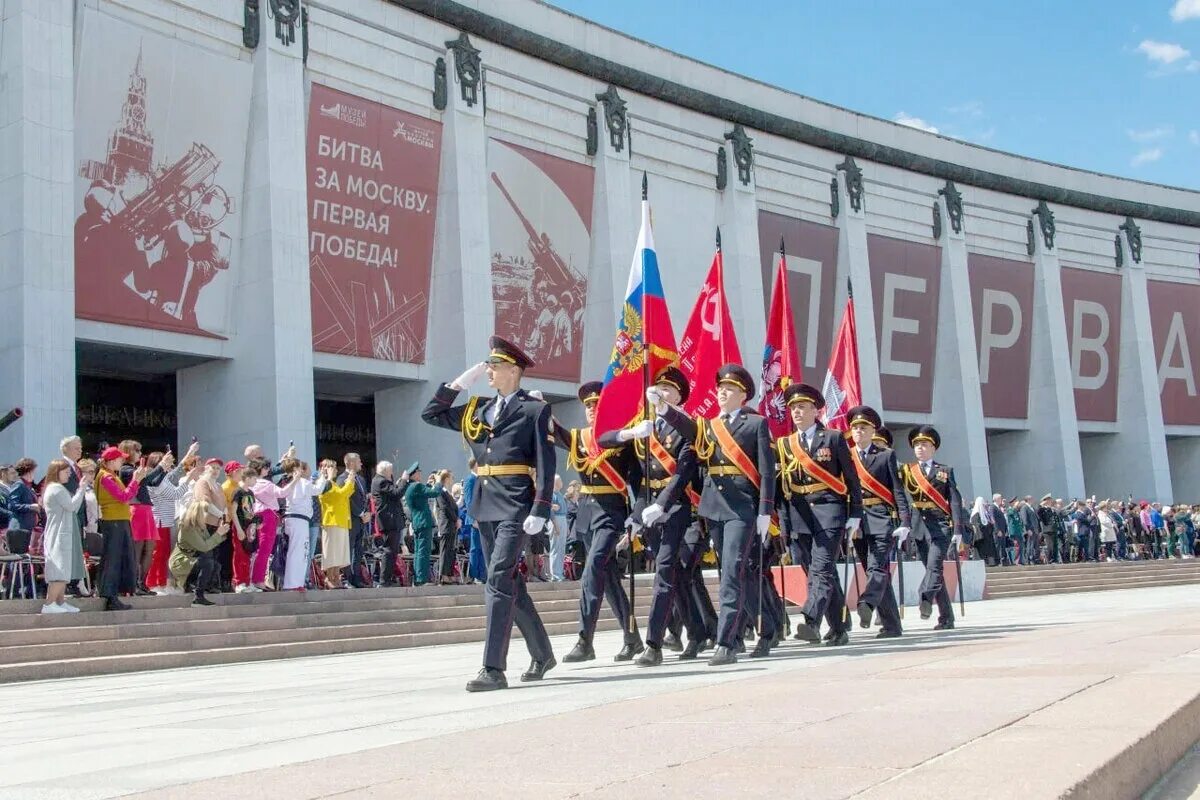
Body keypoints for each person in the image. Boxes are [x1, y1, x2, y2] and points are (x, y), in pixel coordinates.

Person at [421, 335, 556, 692]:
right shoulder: (477, 409)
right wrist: (457, 385)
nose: (489, 373)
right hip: (484, 502)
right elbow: (431, 414)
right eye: (488, 368)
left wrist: (541, 507)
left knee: (497, 578)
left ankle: (493, 668)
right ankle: (542, 653)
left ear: (513, 371)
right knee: (510, 582)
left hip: (515, 503)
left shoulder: (534, 410)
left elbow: (546, 460)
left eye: (494, 368)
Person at [662, 363, 776, 666]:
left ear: (743, 396)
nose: (722, 393)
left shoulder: (756, 425)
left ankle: (726, 642)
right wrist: (664, 409)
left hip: (742, 508)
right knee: (730, 573)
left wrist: (765, 510)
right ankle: (748, 634)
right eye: (720, 389)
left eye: (729, 389)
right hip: (714, 507)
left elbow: (766, 471)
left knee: (734, 569)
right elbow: (687, 428)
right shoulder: (708, 426)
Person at [604, 365, 698, 666]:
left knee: (664, 572)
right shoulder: (643, 427)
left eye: (669, 390)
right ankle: (699, 630)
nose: (662, 393)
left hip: (676, 507)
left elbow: (683, 472)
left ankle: (653, 643)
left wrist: (664, 504)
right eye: (658, 388)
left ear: (679, 397)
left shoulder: (686, 426)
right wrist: (630, 432)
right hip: (648, 510)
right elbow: (607, 444)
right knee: (676, 576)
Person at [554, 380, 645, 664]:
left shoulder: (620, 439)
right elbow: (556, 434)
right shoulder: (579, 437)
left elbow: (638, 481)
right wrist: (539, 409)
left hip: (611, 512)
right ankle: (632, 639)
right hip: (586, 514)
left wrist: (637, 514)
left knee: (592, 570)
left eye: (596, 404)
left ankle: (585, 639)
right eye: (588, 406)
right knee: (608, 580)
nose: (592, 409)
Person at [774, 383, 862, 650]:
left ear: (815, 410)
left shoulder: (833, 438)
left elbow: (851, 478)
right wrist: (784, 524)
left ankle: (811, 620)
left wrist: (855, 514)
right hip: (799, 513)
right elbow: (782, 487)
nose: (796, 412)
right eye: (793, 408)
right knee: (814, 570)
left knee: (821, 568)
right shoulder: (785, 444)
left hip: (829, 510)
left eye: (802, 407)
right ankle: (837, 628)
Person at [843, 406, 908, 639]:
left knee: (876, 567)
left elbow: (897, 490)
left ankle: (867, 603)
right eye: (855, 428)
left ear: (872, 431)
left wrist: (905, 520)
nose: (858, 431)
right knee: (874, 572)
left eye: (863, 428)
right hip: (858, 521)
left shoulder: (885, 455)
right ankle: (892, 625)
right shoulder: (847, 456)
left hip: (882, 517)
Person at [901, 426, 963, 630]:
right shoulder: (908, 471)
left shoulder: (945, 471)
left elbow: (954, 501)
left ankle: (925, 598)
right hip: (919, 526)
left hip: (940, 526)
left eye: (924, 444)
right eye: (917, 445)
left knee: (934, 567)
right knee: (933, 573)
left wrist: (958, 530)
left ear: (933, 448)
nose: (920, 448)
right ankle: (946, 617)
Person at [95, 446, 149, 610]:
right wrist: (136, 480)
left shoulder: (109, 475)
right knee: (114, 559)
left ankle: (113, 595)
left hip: (118, 520)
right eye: (119, 459)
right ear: (111, 461)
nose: (122, 461)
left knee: (118, 558)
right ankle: (110, 596)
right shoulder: (106, 477)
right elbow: (123, 497)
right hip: (114, 521)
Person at [40, 459, 90, 614]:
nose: (69, 475)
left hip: (59, 533)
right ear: (57, 472)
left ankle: (60, 602)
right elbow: (73, 506)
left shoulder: (53, 488)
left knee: (63, 569)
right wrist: (81, 489)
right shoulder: (57, 488)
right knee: (60, 570)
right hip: (59, 535)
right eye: (66, 472)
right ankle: (49, 604)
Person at [147, 453, 201, 594]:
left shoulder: (164, 479)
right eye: (167, 463)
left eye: (170, 463)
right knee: (158, 554)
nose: (170, 466)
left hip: (166, 521)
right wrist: (189, 478)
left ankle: (161, 582)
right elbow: (176, 494)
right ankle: (153, 583)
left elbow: (177, 473)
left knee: (164, 554)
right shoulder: (155, 481)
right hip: (159, 521)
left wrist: (190, 453)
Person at [280, 458, 329, 591]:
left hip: (298, 519)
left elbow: (316, 490)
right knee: (297, 552)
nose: (302, 470)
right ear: (295, 469)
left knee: (300, 552)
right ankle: (292, 583)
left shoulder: (294, 482)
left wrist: (322, 478)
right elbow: (316, 490)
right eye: (299, 468)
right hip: (298, 518)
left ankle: (296, 582)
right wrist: (323, 477)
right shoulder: (299, 482)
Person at [169, 501, 230, 606]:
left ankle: (193, 586)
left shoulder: (200, 527)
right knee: (207, 563)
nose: (207, 516)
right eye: (205, 512)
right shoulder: (187, 528)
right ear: (197, 513)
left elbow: (210, 543)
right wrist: (218, 534)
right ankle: (198, 596)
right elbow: (204, 547)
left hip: (191, 560)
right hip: (180, 562)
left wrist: (220, 532)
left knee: (215, 565)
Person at [370, 461, 410, 587]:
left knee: (393, 551)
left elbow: (393, 493)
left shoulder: (382, 482)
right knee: (388, 550)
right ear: (385, 471)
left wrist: (398, 484)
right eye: (390, 471)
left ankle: (388, 579)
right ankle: (384, 580)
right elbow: (396, 494)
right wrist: (404, 480)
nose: (392, 473)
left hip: (392, 520)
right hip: (389, 520)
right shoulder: (380, 481)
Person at [403, 464, 442, 586]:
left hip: (417, 522)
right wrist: (439, 482)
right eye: (418, 472)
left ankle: (418, 578)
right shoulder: (417, 486)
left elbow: (424, 492)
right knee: (423, 551)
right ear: (414, 474)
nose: (420, 474)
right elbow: (434, 493)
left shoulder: (411, 487)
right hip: (423, 522)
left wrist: (430, 483)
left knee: (419, 551)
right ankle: (421, 579)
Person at [337, 453, 372, 587]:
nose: (361, 464)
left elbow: (364, 498)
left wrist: (367, 512)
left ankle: (356, 578)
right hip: (350, 519)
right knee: (348, 549)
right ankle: (347, 578)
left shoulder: (361, 479)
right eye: (359, 461)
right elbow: (347, 499)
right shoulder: (342, 479)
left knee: (358, 550)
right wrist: (360, 512)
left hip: (361, 521)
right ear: (351, 463)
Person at [434, 470, 460, 584]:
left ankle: (449, 573)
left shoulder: (446, 491)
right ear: (446, 478)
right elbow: (445, 507)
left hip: (451, 525)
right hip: (446, 524)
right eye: (451, 477)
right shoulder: (440, 490)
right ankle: (443, 575)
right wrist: (456, 519)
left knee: (451, 550)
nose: (452, 480)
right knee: (445, 550)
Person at [8, 457, 39, 533]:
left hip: (27, 528)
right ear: (28, 472)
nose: (34, 474)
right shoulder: (19, 485)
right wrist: (30, 507)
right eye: (33, 472)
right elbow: (12, 505)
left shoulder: (28, 486)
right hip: (19, 528)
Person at [548, 475, 569, 581]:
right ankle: (555, 574)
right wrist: (556, 525)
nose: (562, 482)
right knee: (555, 548)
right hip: (555, 520)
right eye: (560, 480)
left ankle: (560, 573)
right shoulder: (552, 494)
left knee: (561, 548)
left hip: (563, 519)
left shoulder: (560, 494)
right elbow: (549, 509)